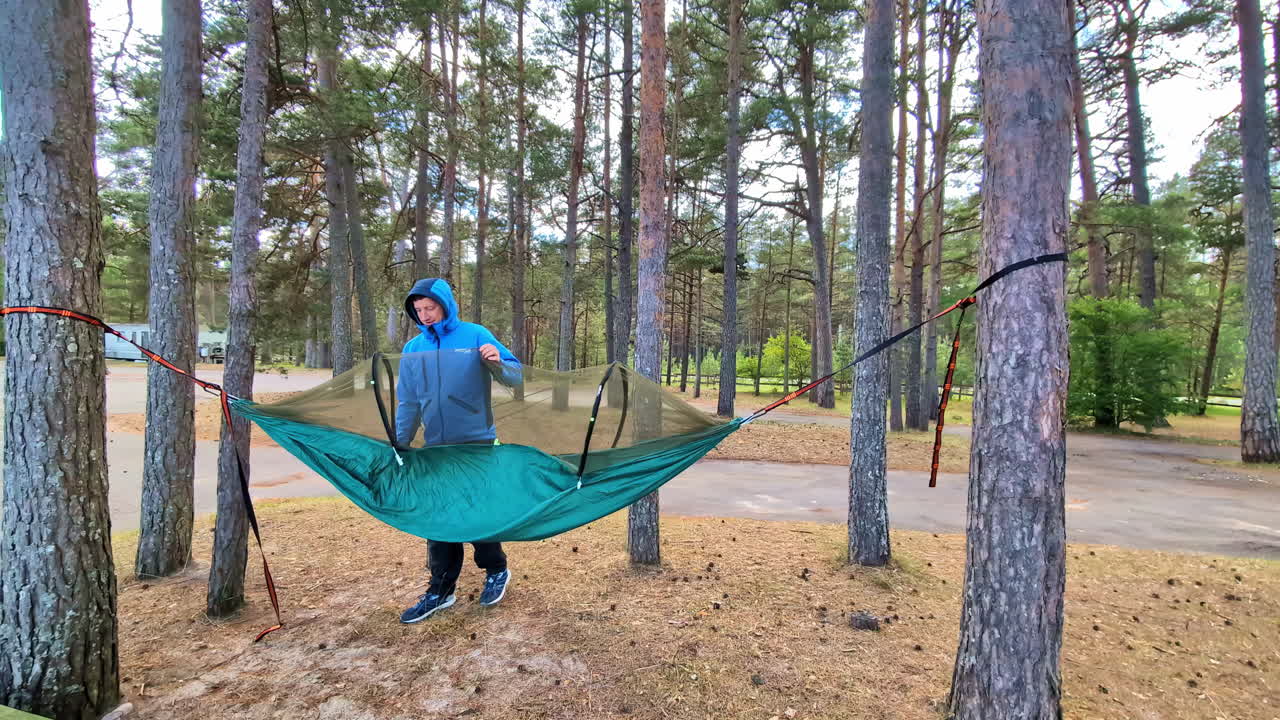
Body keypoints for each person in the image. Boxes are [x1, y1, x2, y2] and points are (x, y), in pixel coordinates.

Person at [394, 277, 522, 624]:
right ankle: (441, 590)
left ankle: (496, 570)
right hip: (435, 447)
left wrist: (496, 361)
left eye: (430, 308)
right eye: (418, 311)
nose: (425, 316)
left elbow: (515, 376)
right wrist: (399, 443)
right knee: (438, 517)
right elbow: (407, 402)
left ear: (445, 306)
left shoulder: (475, 335)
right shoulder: (413, 349)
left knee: (476, 513)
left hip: (477, 443)